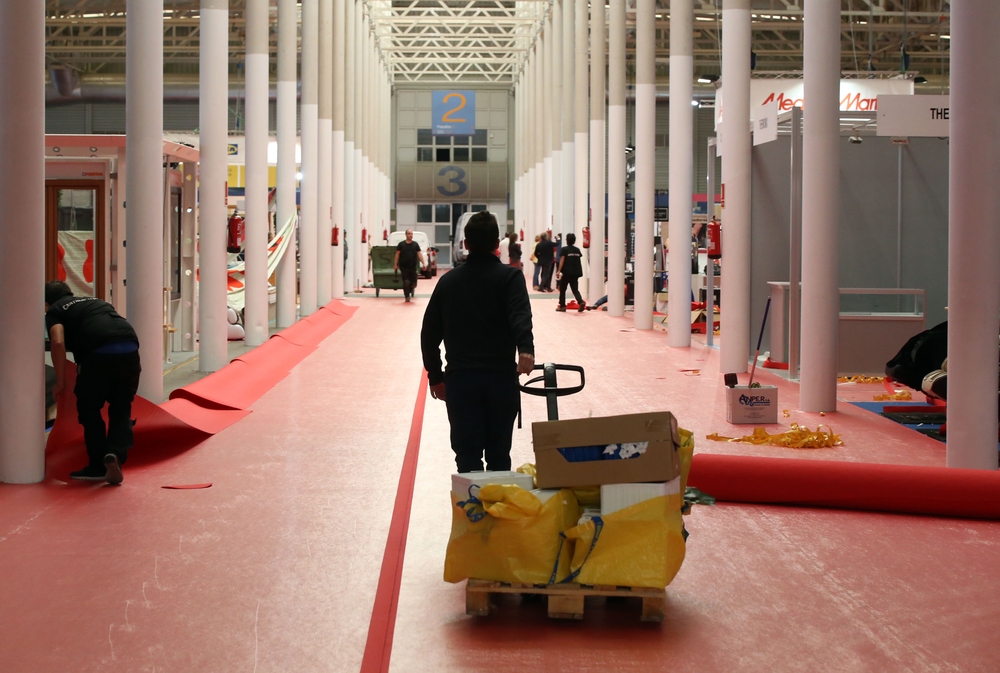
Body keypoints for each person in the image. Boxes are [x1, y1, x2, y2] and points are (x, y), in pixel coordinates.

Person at [421, 212, 535, 473]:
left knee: (467, 456)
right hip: (500, 379)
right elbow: (520, 315)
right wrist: (525, 349)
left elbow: (429, 333)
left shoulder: (448, 282)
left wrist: (436, 377)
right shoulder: (510, 278)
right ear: (497, 244)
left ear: (466, 244)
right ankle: (498, 508)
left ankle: (470, 511)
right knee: (499, 455)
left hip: (461, 382)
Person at [45, 281, 141, 485]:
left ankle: (98, 466)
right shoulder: (95, 301)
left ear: (46, 303)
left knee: (89, 409)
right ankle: (115, 453)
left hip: (98, 352)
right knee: (121, 406)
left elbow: (58, 341)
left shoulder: (55, 310)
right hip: (130, 346)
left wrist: (60, 382)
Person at [555, 233, 586, 312]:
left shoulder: (564, 249)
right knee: (575, 289)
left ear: (567, 240)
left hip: (566, 272)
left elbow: (562, 260)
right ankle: (581, 301)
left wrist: (559, 270)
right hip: (575, 272)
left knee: (562, 289)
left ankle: (562, 306)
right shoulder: (577, 250)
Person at [393, 228, 425, 303]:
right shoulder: (401, 244)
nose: (411, 235)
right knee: (406, 282)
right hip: (404, 267)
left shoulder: (415, 245)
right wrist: (395, 264)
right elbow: (397, 255)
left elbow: (419, 254)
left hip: (413, 267)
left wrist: (423, 263)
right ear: (406, 235)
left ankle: (409, 290)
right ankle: (407, 296)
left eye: (411, 234)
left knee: (414, 284)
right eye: (409, 234)